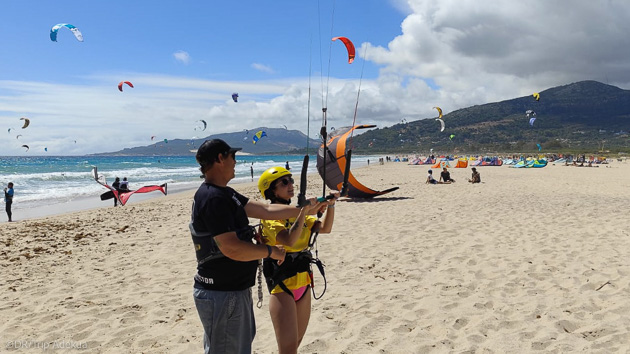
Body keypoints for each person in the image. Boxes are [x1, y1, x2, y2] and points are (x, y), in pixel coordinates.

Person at [189, 139, 326, 354]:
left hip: (234, 290)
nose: (235, 161)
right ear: (219, 159)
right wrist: (270, 251)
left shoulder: (226, 193)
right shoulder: (212, 197)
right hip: (223, 292)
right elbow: (231, 247)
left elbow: (267, 211)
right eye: (232, 156)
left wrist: (306, 208)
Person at [258, 167, 338, 353]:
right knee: (287, 349)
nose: (291, 185)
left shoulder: (297, 215)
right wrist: (304, 211)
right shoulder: (270, 219)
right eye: (284, 182)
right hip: (282, 286)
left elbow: (325, 228)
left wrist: (331, 205)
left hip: (303, 284)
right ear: (271, 191)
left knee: (296, 343)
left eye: (291, 180)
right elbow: (290, 240)